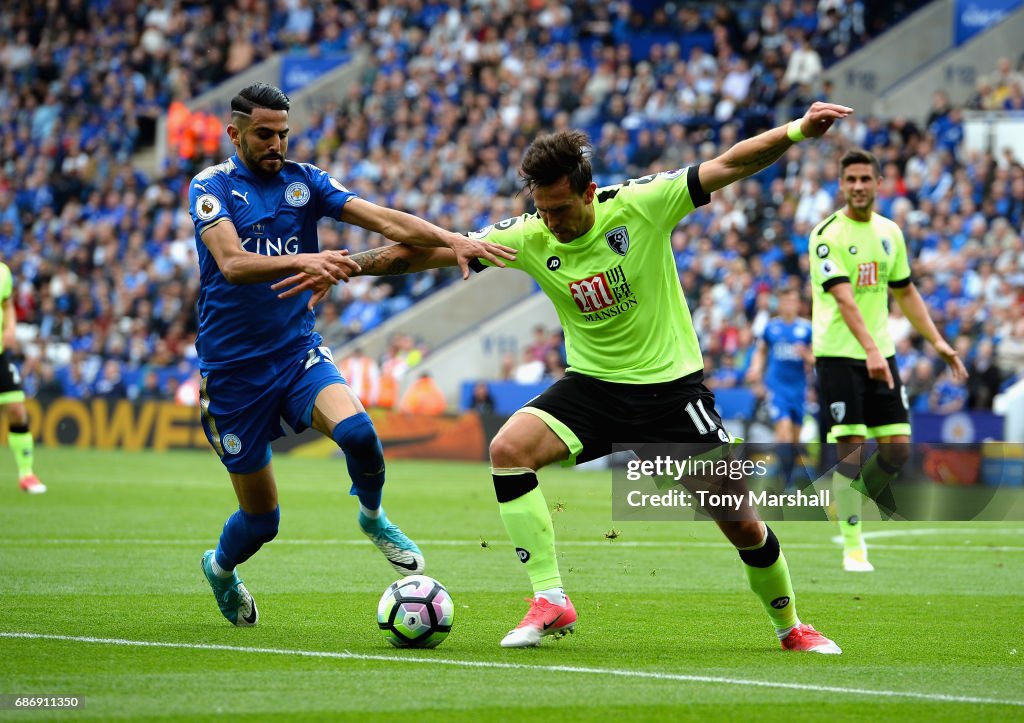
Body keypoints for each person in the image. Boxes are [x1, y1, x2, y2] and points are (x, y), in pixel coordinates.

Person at [284, 102, 854, 653]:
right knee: (508, 448)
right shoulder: (530, 233)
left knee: (741, 522)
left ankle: (792, 628)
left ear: (587, 192)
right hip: (593, 387)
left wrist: (798, 130)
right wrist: (349, 265)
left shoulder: (642, 204)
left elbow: (731, 162)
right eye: (541, 209)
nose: (549, 222)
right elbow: (425, 255)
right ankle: (550, 598)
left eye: (558, 208)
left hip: (670, 390)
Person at [189, 82, 514, 626]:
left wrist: (452, 239)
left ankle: (373, 517)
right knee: (262, 522)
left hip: (296, 356)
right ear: (235, 133)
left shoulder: (305, 182)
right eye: (264, 134)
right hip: (232, 374)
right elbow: (233, 263)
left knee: (360, 435)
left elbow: (385, 220)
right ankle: (221, 569)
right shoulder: (212, 187)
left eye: (283, 134)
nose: (276, 144)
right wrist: (309, 263)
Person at [809, 148, 967, 573]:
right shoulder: (827, 235)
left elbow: (906, 291)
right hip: (840, 355)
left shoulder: (890, 233)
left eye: (865, 179)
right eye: (851, 180)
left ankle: (847, 500)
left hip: (881, 353)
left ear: (880, 184)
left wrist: (937, 342)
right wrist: (872, 350)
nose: (858, 186)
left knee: (898, 451)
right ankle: (853, 544)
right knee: (852, 451)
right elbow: (844, 298)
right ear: (841, 185)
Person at [745, 287, 813, 489]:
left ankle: (787, 479)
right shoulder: (771, 328)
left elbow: (816, 358)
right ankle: (784, 483)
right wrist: (755, 368)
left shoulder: (807, 329)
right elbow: (761, 351)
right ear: (780, 304)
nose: (788, 305)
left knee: (794, 439)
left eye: (792, 301)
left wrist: (806, 356)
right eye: (785, 301)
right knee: (783, 434)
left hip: (798, 390)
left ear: (798, 304)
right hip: (777, 388)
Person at [0, 261, 44, 494]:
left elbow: (6, 305)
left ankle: (26, 474)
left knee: (17, 410)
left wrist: (9, 329)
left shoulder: (3, 273)